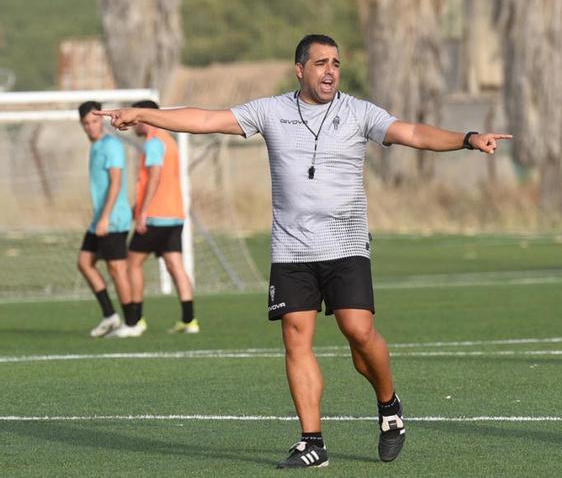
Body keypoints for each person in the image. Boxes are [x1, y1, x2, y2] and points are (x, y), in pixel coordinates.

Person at [97, 34, 511, 468]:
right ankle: (312, 442)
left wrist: (467, 138)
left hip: (346, 244)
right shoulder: (271, 111)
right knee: (296, 337)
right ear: (300, 70)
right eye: (320, 63)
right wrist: (144, 114)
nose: (330, 71)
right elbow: (206, 119)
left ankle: (389, 406)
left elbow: (411, 132)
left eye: (336, 63)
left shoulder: (358, 112)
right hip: (292, 249)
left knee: (358, 332)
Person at [108, 100, 198, 338]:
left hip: (156, 216)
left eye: (136, 117)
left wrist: (142, 210)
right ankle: (189, 320)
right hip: (175, 215)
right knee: (175, 265)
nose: (134, 123)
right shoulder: (168, 140)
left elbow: (155, 177)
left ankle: (135, 319)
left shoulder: (154, 143)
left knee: (131, 264)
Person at [75, 101, 135, 338]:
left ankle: (132, 323)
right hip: (100, 218)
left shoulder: (112, 145)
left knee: (117, 269)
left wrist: (106, 217)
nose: (91, 127)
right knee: (84, 262)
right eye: (86, 123)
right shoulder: (96, 146)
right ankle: (110, 316)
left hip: (114, 218)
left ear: (102, 120)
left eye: (94, 121)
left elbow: (116, 183)